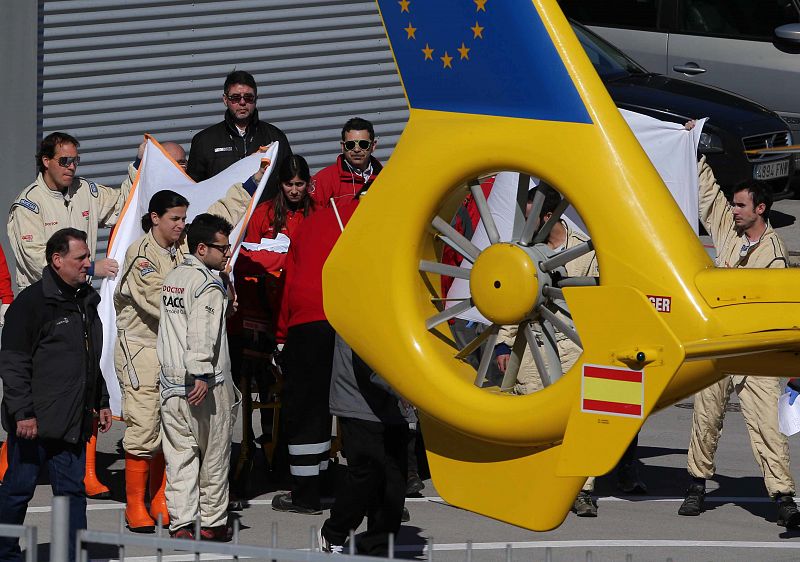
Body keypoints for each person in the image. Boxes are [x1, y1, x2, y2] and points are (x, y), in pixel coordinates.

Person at [115, 163, 268, 533]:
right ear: (155, 219)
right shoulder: (144, 257)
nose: (182, 225)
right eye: (175, 219)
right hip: (145, 351)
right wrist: (207, 298)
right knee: (145, 430)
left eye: (184, 219)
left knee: (176, 442)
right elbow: (164, 307)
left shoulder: (185, 247)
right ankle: (136, 503)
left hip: (176, 354)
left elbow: (220, 217)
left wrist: (251, 182)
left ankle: (165, 502)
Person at [5, 131, 138, 499]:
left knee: (81, 379)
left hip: (79, 306)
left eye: (76, 160)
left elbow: (125, 203)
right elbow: (36, 261)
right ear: (45, 160)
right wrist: (92, 267)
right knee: (39, 389)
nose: (72, 167)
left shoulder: (86, 191)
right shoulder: (28, 207)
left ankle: (83, 465)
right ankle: (16, 453)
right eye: (64, 161)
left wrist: (140, 166)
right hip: (41, 311)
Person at [677, 146, 800, 527]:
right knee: (705, 418)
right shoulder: (727, 229)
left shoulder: (776, 255)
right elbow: (709, 195)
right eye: (734, 205)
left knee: (768, 427)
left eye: (741, 206)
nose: (734, 210)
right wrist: (692, 150)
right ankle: (696, 487)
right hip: (718, 345)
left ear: (759, 210)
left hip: (755, 351)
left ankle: (783, 498)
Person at [0, 228, 112, 562]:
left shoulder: (85, 300)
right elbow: (13, 363)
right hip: (34, 422)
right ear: (57, 260)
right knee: (18, 491)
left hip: (72, 420)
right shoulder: (32, 303)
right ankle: (4, 553)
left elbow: (90, 356)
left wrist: (100, 400)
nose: (88, 264)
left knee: (72, 494)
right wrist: (23, 414)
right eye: (81, 258)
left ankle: (71, 553)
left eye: (88, 257)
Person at [157, 213, 241, 540]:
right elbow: (201, 334)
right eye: (223, 248)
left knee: (179, 459)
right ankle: (212, 523)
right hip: (205, 385)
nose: (228, 253)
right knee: (214, 458)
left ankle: (180, 524)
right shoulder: (208, 285)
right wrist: (201, 374)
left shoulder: (173, 277)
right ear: (203, 248)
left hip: (171, 385)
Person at [229, 155, 315, 456]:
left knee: (297, 385)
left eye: (300, 184)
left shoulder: (316, 214)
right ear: (280, 184)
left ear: (308, 184)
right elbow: (248, 259)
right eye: (289, 184)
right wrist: (280, 260)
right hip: (264, 311)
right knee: (262, 382)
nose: (294, 190)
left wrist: (279, 259)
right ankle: (264, 441)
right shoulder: (264, 213)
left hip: (300, 309)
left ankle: (290, 442)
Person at [317, 334, 411, 555]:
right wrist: (404, 388)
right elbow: (365, 353)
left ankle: (378, 546)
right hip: (358, 398)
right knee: (367, 470)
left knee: (394, 478)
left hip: (394, 402)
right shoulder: (361, 304)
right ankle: (334, 533)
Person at [187, 69, 291, 197]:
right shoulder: (204, 141)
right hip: (221, 215)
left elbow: (290, 181)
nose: (242, 102)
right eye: (235, 98)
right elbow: (193, 190)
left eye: (248, 97)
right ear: (225, 100)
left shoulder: (276, 137)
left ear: (256, 99)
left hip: (265, 215)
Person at [311, 117, 382, 208]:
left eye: (363, 144)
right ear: (343, 146)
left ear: (373, 146)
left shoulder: (385, 177)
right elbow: (313, 218)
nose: (356, 149)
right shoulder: (323, 180)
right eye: (350, 145)